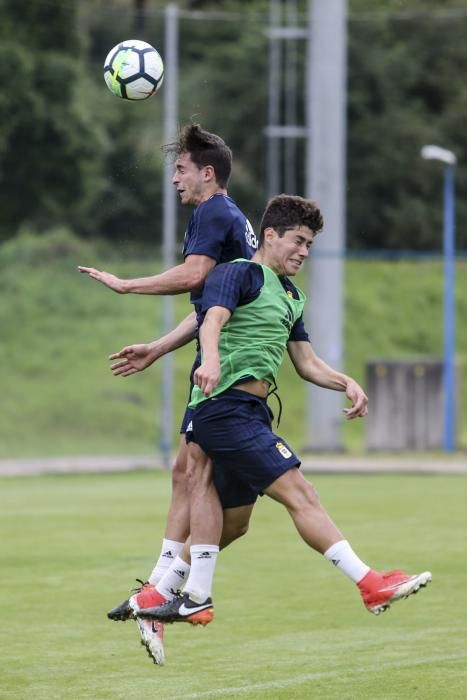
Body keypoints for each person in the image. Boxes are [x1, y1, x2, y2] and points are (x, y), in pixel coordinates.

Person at [136, 194, 432, 627]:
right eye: (298, 240)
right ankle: (369, 584)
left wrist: (345, 382)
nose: (304, 251)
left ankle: (158, 597)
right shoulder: (237, 272)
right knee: (301, 492)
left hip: (252, 412)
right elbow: (212, 320)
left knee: (233, 524)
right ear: (270, 235)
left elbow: (307, 362)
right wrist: (212, 359)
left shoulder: (291, 295)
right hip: (225, 408)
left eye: (309, 244)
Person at [78, 123, 258, 664]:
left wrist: (127, 284)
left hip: (226, 369)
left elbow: (194, 275)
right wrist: (159, 347)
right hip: (225, 362)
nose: (174, 179)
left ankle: (170, 591)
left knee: (207, 485)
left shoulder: (213, 213)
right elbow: (210, 303)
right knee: (189, 474)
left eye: (180, 169)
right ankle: (159, 591)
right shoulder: (229, 218)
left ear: (207, 173)